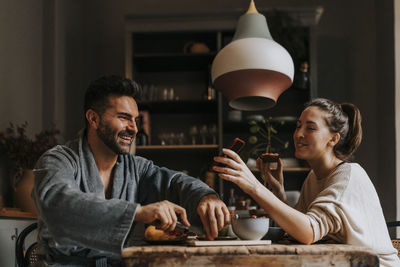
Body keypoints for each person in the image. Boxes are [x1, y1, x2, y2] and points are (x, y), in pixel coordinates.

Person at [32, 75, 229, 266]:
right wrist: (138, 212)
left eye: (136, 120)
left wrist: (206, 196)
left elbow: (175, 182)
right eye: (124, 117)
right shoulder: (57, 160)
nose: (134, 128)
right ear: (93, 119)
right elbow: (58, 204)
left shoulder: (136, 168)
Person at [213, 98, 400, 266]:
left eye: (310, 128)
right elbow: (299, 230)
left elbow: (309, 232)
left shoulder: (348, 175)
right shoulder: (313, 177)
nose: (299, 134)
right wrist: (279, 194)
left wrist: (253, 187)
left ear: (333, 139)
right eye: (298, 126)